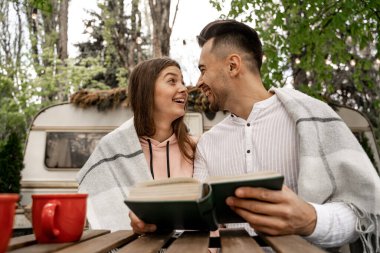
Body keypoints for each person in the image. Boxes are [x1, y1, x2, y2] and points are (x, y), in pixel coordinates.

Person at [193, 19, 380, 251]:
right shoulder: (207, 144)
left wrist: (311, 220)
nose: (198, 82)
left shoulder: (313, 119)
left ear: (233, 66)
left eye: (202, 70)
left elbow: (361, 212)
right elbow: (195, 218)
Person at [76, 57, 197, 231]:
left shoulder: (195, 147)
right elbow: (102, 209)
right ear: (146, 90)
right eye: (172, 81)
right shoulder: (112, 148)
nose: (184, 89)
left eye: (182, 82)